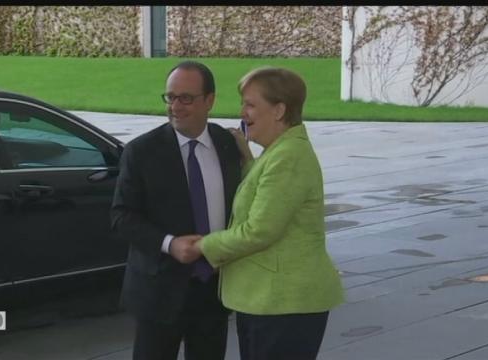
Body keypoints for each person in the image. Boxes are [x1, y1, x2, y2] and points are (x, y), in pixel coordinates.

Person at [186, 67, 345, 360]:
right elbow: (264, 193)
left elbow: (260, 229)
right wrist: (247, 159)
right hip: (269, 303)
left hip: (285, 305)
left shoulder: (288, 157)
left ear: (279, 110)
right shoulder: (278, 152)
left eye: (250, 104)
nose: (242, 112)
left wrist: (202, 246)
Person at [111, 60, 242, 360]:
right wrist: (170, 244)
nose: (175, 106)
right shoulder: (141, 152)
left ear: (210, 100)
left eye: (186, 98)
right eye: (170, 97)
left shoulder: (227, 144)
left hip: (214, 291)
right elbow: (121, 217)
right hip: (159, 291)